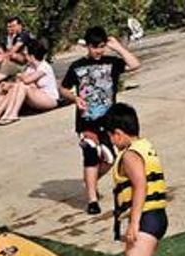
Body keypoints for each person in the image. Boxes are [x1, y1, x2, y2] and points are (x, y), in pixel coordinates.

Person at [103, 103, 168, 256]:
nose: (111, 141)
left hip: (146, 219)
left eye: (111, 136)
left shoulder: (130, 154)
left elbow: (140, 185)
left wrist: (134, 222)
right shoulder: (145, 146)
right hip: (154, 216)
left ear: (118, 133)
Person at [58, 26, 142, 217]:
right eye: (95, 47)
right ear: (87, 46)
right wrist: (74, 98)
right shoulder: (77, 66)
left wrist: (118, 48)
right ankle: (92, 200)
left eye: (102, 47)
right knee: (90, 154)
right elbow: (63, 88)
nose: (98, 51)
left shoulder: (112, 63)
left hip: (109, 120)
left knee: (110, 159)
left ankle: (91, 181)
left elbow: (135, 64)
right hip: (86, 121)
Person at [0, 39, 60, 124]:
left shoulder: (44, 67)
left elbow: (27, 80)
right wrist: (9, 85)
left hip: (50, 99)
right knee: (17, 86)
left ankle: (14, 114)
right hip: (38, 97)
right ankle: (7, 113)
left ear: (31, 56)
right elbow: (20, 80)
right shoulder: (30, 67)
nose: (24, 56)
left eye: (26, 54)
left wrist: (20, 75)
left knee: (23, 86)